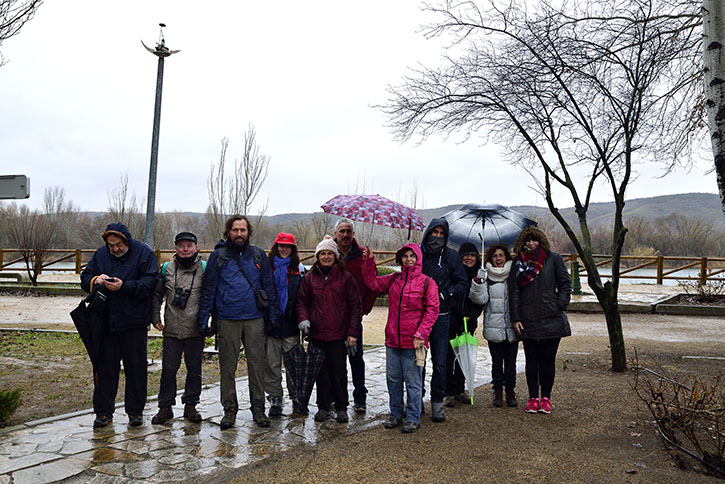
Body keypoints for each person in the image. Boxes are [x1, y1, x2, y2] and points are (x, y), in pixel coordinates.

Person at [197, 215, 280, 429]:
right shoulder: (218, 256)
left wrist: (272, 318)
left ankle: (258, 409)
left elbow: (269, 287)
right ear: (228, 232)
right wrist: (203, 318)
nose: (239, 234)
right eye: (235, 230)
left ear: (248, 232)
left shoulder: (258, 255)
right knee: (227, 367)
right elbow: (209, 289)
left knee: (256, 365)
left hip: (254, 318)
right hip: (227, 318)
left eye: (243, 230)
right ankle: (229, 409)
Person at [80, 222, 158, 428]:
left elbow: (149, 284)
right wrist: (96, 279)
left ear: (127, 241)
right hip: (106, 323)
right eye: (111, 245)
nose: (115, 249)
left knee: (135, 370)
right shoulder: (100, 254)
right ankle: (104, 413)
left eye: (118, 245)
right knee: (105, 370)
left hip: (134, 322)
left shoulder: (144, 253)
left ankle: (135, 413)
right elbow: (84, 278)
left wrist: (124, 286)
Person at [361, 243, 439, 433]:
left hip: (413, 341)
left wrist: (421, 334)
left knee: (413, 381)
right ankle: (395, 414)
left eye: (412, 255)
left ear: (418, 258)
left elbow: (432, 309)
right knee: (393, 379)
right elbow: (372, 282)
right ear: (400, 258)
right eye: (405, 256)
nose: (409, 259)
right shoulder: (394, 279)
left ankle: (413, 416)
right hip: (393, 340)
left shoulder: (427, 282)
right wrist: (369, 261)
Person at [296, 238, 362, 424]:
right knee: (320, 373)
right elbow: (302, 301)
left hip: (338, 334)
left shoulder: (346, 278)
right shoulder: (309, 278)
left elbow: (355, 306)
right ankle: (323, 406)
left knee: (339, 372)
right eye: (323, 253)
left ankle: (341, 407)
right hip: (316, 334)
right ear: (318, 256)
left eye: (329, 253)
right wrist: (303, 318)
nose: (326, 256)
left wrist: (352, 333)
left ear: (335, 256)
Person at [509, 227, 572, 414]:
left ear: (541, 241)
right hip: (527, 319)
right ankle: (531, 397)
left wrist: (559, 304)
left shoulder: (553, 259)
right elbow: (514, 292)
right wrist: (515, 318)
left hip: (551, 318)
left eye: (534, 240)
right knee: (531, 361)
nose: (531, 244)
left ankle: (545, 398)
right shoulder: (517, 263)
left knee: (547, 361)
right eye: (527, 240)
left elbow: (565, 283)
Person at [150, 231, 205, 425]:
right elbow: (156, 296)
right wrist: (155, 317)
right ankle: (165, 407)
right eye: (181, 245)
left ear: (196, 247)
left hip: (195, 329)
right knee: (169, 370)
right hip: (172, 328)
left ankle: (191, 405)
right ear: (175, 248)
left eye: (189, 245)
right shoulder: (166, 269)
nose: (185, 249)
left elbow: (211, 297)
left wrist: (210, 323)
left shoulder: (204, 269)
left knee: (194, 370)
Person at [419, 218, 469, 422]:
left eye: (441, 234)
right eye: (434, 233)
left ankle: (437, 403)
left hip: (442, 316)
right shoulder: (418, 255)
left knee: (440, 362)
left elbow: (462, 283)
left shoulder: (452, 257)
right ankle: (416, 401)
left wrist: (445, 295)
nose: (437, 237)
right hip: (419, 316)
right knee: (417, 362)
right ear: (428, 232)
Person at [333, 218, 378, 412]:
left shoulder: (363, 256)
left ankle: (360, 397)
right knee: (334, 361)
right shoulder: (329, 253)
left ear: (353, 234)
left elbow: (373, 284)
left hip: (353, 317)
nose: (345, 235)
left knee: (356, 359)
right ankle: (336, 397)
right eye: (342, 231)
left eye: (348, 231)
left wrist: (363, 308)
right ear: (336, 234)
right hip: (332, 318)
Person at [469, 243, 519, 408]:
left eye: (501, 255)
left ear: (506, 257)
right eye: (495, 256)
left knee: (511, 362)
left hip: (511, 327)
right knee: (497, 362)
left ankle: (510, 392)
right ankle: (497, 392)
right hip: (493, 326)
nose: (498, 259)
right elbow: (480, 299)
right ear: (490, 258)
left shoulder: (514, 275)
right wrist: (478, 282)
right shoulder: (487, 277)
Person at [264, 232, 305, 417]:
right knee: (271, 365)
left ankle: (296, 396)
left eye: (287, 246)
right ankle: (275, 398)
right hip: (271, 325)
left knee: (293, 366)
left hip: (290, 325)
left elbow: (304, 298)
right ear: (275, 246)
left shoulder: (299, 270)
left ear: (293, 249)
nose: (284, 249)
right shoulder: (267, 268)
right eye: (281, 245)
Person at [444, 242, 484, 407]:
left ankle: (460, 389)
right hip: (453, 318)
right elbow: (451, 296)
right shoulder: (453, 273)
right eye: (466, 255)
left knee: (464, 355)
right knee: (448, 356)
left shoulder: (480, 275)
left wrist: (471, 316)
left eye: (472, 255)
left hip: (470, 320)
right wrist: (459, 314)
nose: (469, 258)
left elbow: (481, 299)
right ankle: (448, 391)